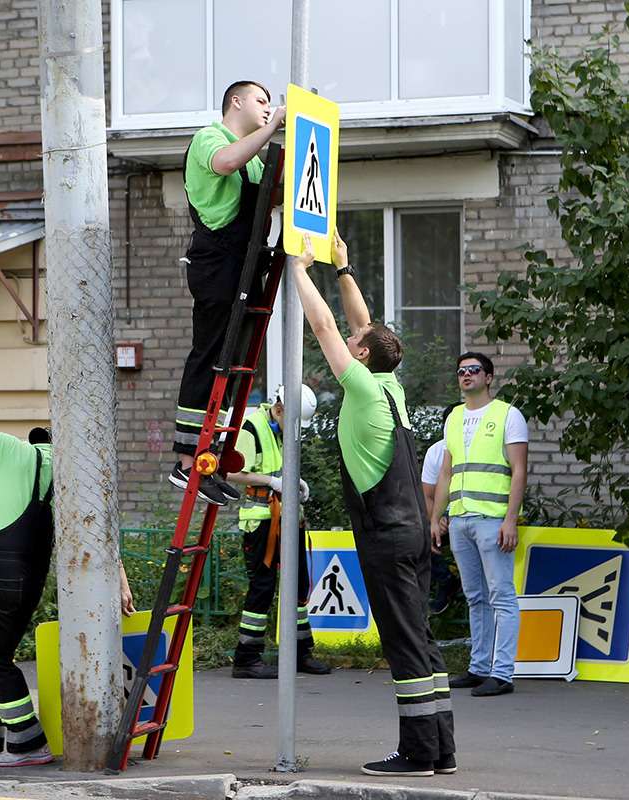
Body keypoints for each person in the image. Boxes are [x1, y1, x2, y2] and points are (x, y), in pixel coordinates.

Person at [290, 231, 456, 777]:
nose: (354, 337)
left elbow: (325, 328)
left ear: (363, 356)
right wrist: (343, 267)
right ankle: (442, 751)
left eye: (359, 341)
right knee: (423, 641)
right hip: (411, 532)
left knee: (405, 645)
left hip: (386, 535)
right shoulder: (391, 385)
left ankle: (417, 754)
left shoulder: (362, 386)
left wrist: (299, 270)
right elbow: (363, 328)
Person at [0, 368, 134, 768]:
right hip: (30, 580)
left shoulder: (10, 449)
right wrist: (120, 583)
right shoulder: (72, 478)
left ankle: (27, 741)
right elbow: (101, 535)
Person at [169, 80, 286, 506]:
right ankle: (185, 460)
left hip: (244, 261)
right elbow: (223, 163)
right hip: (217, 260)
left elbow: (268, 193)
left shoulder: (253, 156)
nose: (267, 106)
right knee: (211, 353)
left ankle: (209, 458)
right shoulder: (210, 138)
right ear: (235, 102)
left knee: (233, 361)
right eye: (261, 100)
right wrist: (272, 128)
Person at [431, 353, 528, 698]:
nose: (466, 375)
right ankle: (479, 667)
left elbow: (519, 470)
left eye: (473, 370)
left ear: (488, 377)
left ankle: (502, 673)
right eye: (461, 371)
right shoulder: (454, 417)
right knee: (476, 597)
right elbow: (447, 471)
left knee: (501, 596)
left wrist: (510, 520)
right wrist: (435, 517)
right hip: (460, 520)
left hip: (493, 520)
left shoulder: (507, 415)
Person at [223, 385, 330, 679]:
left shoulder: (282, 429)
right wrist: (272, 481)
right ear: (280, 409)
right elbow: (230, 472)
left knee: (298, 584)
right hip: (261, 519)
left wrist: (294, 482)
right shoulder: (252, 428)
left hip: (286, 514)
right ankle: (246, 658)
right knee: (263, 586)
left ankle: (300, 652)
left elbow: (281, 469)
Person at [420, 404, 463, 616]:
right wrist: (435, 521)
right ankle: (446, 582)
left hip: (469, 516)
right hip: (442, 517)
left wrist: (451, 517)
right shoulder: (436, 452)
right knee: (419, 540)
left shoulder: (480, 447)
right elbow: (427, 494)